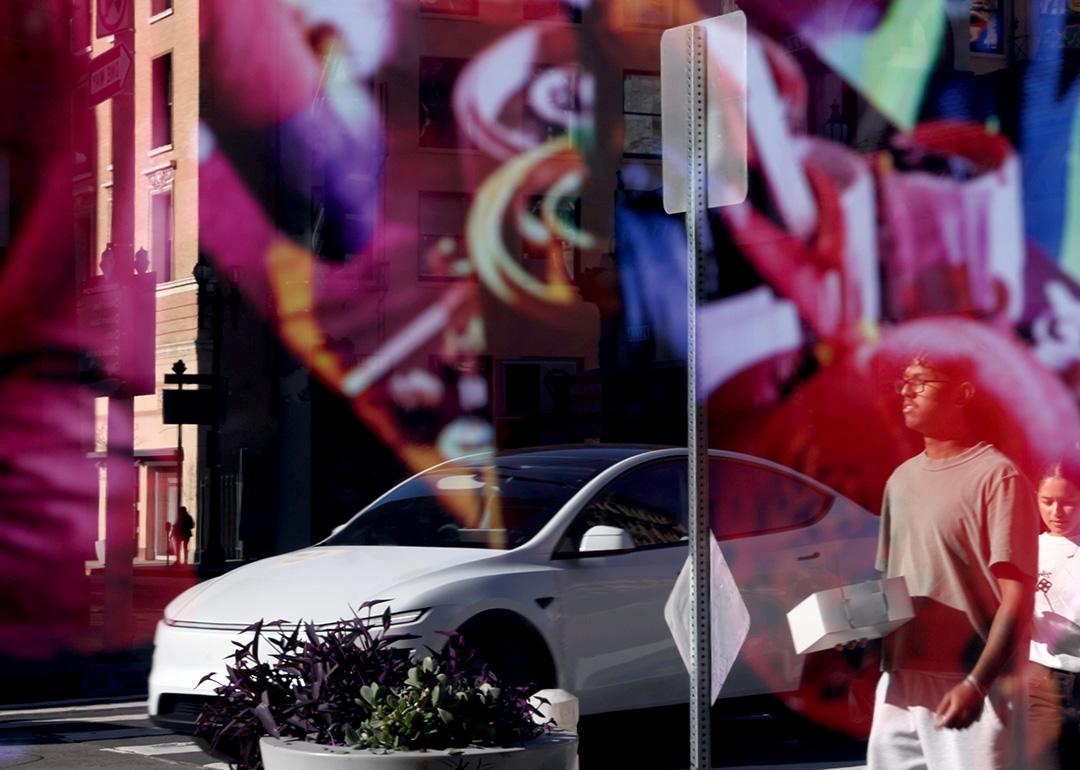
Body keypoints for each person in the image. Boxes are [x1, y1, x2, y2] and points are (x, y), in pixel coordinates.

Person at [868, 356, 1039, 770]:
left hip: (971, 683)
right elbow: (892, 588)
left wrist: (976, 685)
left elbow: (1016, 599)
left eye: (921, 382)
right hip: (899, 685)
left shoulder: (998, 477)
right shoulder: (900, 481)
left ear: (962, 393)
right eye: (903, 383)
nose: (906, 392)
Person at [1028, 462, 1080, 770]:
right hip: (1042, 683)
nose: (1057, 511)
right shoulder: (1027, 549)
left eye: (1069, 502)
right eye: (1047, 501)